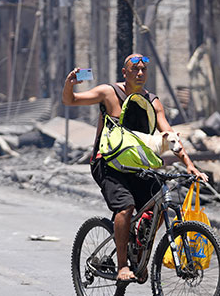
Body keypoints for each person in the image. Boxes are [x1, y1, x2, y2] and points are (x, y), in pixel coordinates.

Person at [62, 53, 208, 282]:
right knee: (126, 207)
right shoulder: (109, 93)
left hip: (137, 166)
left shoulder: (152, 101)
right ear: (125, 73)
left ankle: (139, 254)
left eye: (143, 70)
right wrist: (69, 85)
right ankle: (122, 267)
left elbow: (169, 135)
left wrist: (190, 165)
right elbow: (71, 101)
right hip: (108, 164)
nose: (140, 73)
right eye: (134, 70)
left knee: (161, 201)